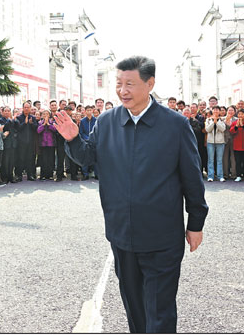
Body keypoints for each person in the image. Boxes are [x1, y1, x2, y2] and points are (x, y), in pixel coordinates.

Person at [54, 56, 208, 333]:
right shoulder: (107, 121)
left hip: (162, 235)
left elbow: (192, 177)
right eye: (119, 83)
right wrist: (73, 139)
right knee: (134, 308)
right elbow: (87, 158)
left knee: (160, 311)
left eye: (130, 84)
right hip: (122, 234)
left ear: (150, 84)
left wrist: (195, 223)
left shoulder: (175, 125)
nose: (122, 90)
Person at [229, 109, 244, 182]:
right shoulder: (234, 123)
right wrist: (236, 126)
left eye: (242, 114)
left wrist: (243, 126)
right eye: (239, 114)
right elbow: (231, 132)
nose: (240, 116)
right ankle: (238, 175)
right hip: (237, 145)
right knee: (238, 162)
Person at [15, 102, 38, 181]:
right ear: (23, 108)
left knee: (30, 159)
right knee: (20, 159)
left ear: (30, 108)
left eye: (28, 107)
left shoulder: (33, 117)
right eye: (25, 107)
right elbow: (18, 129)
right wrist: (24, 123)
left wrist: (31, 124)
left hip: (30, 142)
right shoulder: (19, 118)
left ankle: (30, 175)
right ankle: (18, 175)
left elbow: (36, 129)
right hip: (21, 142)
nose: (26, 109)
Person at [205, 105, 226, 182]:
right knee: (210, 160)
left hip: (220, 142)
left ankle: (220, 176)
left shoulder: (222, 120)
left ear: (219, 111)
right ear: (212, 111)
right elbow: (207, 129)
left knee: (219, 160)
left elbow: (223, 129)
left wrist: (216, 122)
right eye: (214, 110)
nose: (216, 111)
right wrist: (213, 122)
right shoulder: (208, 120)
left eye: (217, 110)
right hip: (210, 142)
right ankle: (210, 176)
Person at [0, 106, 19, 183]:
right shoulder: (1, 120)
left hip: (13, 143)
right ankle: (4, 177)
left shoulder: (13, 120)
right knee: (5, 161)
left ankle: (11, 176)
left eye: (8, 111)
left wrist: (15, 119)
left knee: (12, 161)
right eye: (5, 111)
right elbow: (5, 127)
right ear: (2, 112)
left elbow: (18, 126)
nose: (7, 112)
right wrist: (10, 120)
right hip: (5, 143)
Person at [37, 110, 57, 180]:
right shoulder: (40, 122)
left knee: (50, 159)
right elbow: (38, 131)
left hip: (51, 144)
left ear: (49, 115)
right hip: (43, 144)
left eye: (47, 114)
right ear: (42, 115)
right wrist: (43, 124)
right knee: (43, 160)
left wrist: (48, 124)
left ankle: (50, 174)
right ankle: (43, 175)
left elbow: (55, 130)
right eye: (44, 114)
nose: (45, 115)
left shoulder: (53, 122)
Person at [79, 105, 97, 180]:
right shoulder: (82, 121)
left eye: (90, 110)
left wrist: (92, 137)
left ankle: (97, 174)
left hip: (94, 141)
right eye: (87, 110)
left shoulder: (96, 120)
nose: (89, 111)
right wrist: (87, 138)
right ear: (85, 111)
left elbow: (97, 130)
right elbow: (81, 132)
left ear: (92, 111)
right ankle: (85, 174)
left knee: (95, 158)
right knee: (85, 158)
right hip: (85, 142)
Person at [50, 100, 66, 181]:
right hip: (49, 139)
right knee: (50, 157)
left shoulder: (60, 115)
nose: (53, 106)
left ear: (57, 106)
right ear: (50, 107)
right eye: (52, 105)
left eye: (55, 105)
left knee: (60, 157)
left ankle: (60, 175)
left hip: (60, 138)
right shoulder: (47, 115)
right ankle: (50, 173)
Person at [222, 105, 237, 179]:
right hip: (224, 139)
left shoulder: (237, 119)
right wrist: (226, 121)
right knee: (225, 157)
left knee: (233, 157)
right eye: (229, 110)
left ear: (234, 112)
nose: (230, 112)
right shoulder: (222, 119)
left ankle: (234, 174)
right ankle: (225, 174)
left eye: (232, 110)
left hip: (234, 139)